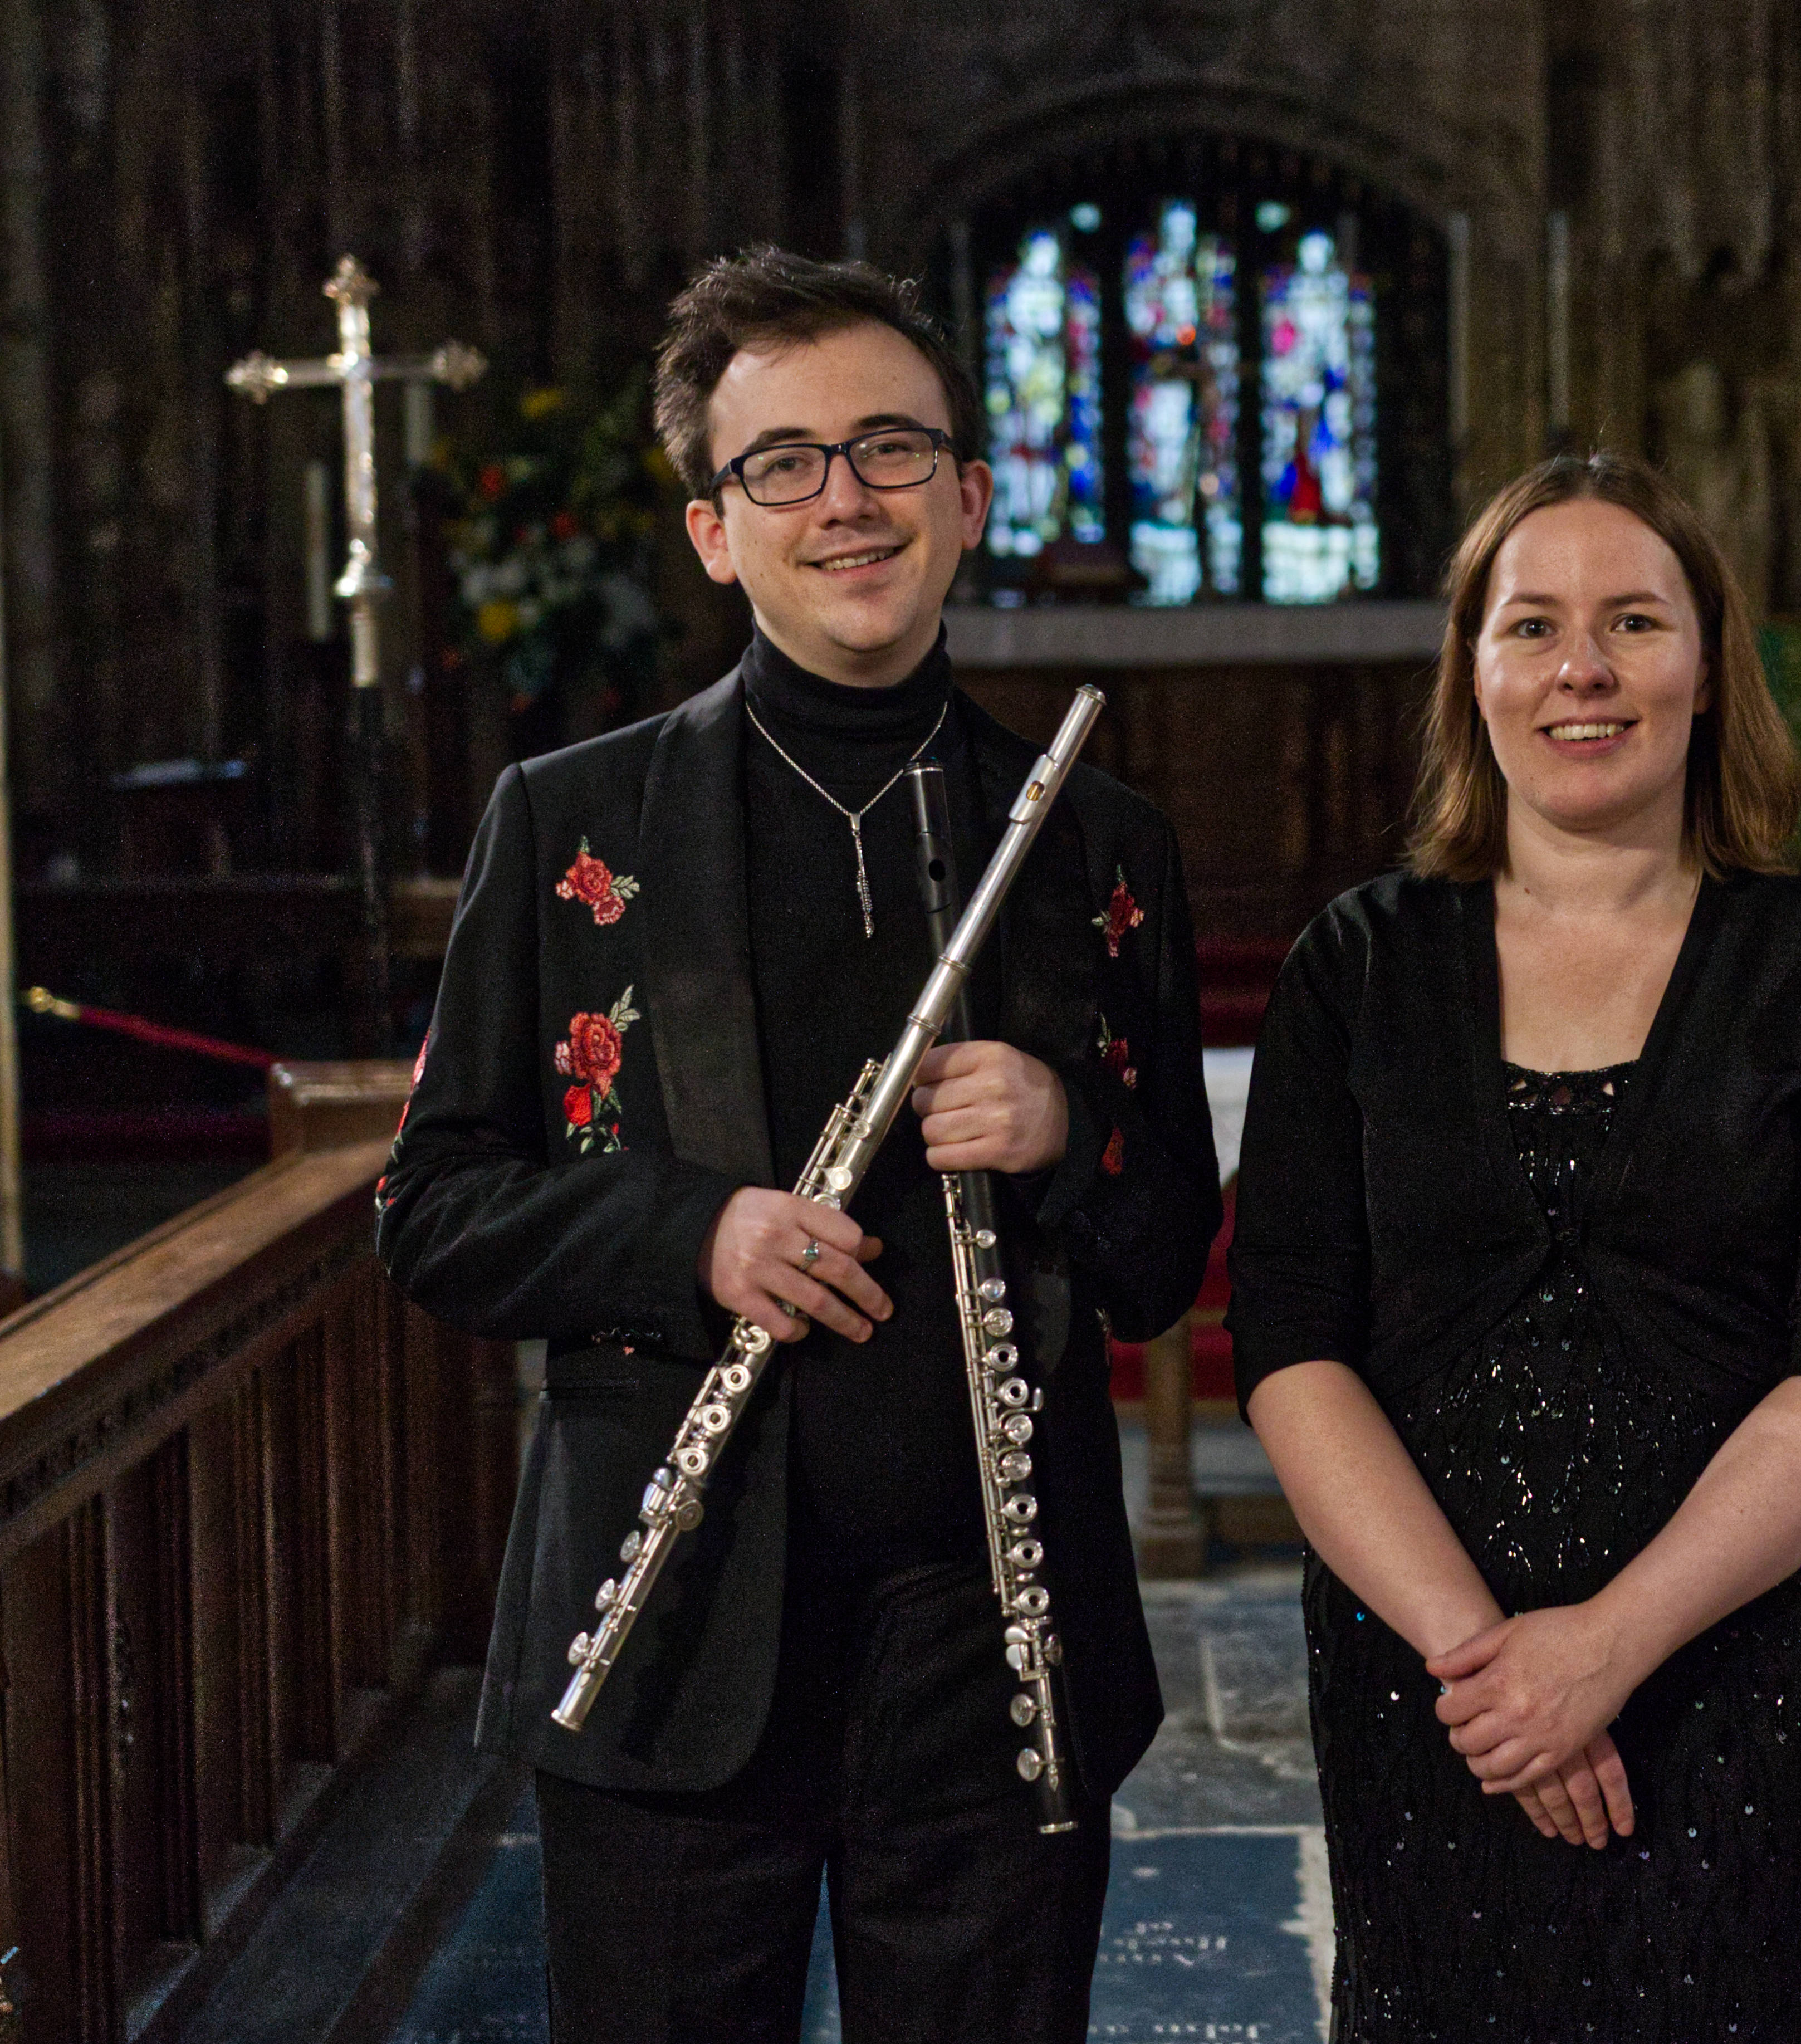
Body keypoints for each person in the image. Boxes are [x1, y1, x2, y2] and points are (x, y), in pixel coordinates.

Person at [378, 248, 1222, 2043]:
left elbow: (1167, 1260)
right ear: (713, 529)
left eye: (892, 448)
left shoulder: (1096, 837)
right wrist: (694, 1235)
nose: (845, 499)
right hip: (669, 1639)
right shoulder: (570, 822)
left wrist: (1071, 1134)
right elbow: (434, 1209)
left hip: (996, 1658)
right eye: (784, 463)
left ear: (971, 496)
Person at [1226, 452, 1801, 2041]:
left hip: (1746, 1663)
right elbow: (1290, 1343)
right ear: (1471, 673)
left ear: (1708, 665)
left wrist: (1608, 1651)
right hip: (1437, 1681)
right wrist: (1496, 1675)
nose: (1583, 669)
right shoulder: (1356, 963)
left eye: (1635, 620)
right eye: (1532, 624)